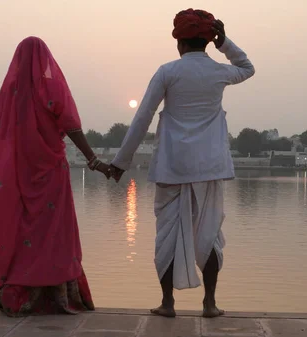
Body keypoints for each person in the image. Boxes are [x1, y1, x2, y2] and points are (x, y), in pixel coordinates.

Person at [109, 9, 255, 318]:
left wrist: (121, 162)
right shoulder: (220, 72)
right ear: (207, 40)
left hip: (172, 167)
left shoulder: (167, 71)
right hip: (210, 168)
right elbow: (247, 67)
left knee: (167, 236)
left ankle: (167, 303)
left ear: (179, 43)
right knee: (210, 234)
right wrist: (225, 43)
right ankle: (210, 303)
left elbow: (143, 117)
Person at [0, 36, 111, 317]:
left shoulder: (10, 91)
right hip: (50, 173)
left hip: (17, 173)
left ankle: (19, 297)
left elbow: (2, 135)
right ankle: (58, 297)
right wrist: (93, 160)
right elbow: (71, 125)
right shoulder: (52, 86)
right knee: (53, 231)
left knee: (20, 230)